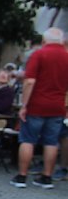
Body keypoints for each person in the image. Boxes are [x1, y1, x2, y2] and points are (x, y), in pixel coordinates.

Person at [11, 27, 68, 189]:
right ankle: (47, 176)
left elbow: (30, 81)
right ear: (62, 41)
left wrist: (24, 105)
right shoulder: (66, 57)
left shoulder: (39, 54)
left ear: (44, 41)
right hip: (57, 105)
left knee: (28, 139)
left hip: (37, 104)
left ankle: (22, 176)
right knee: (51, 142)